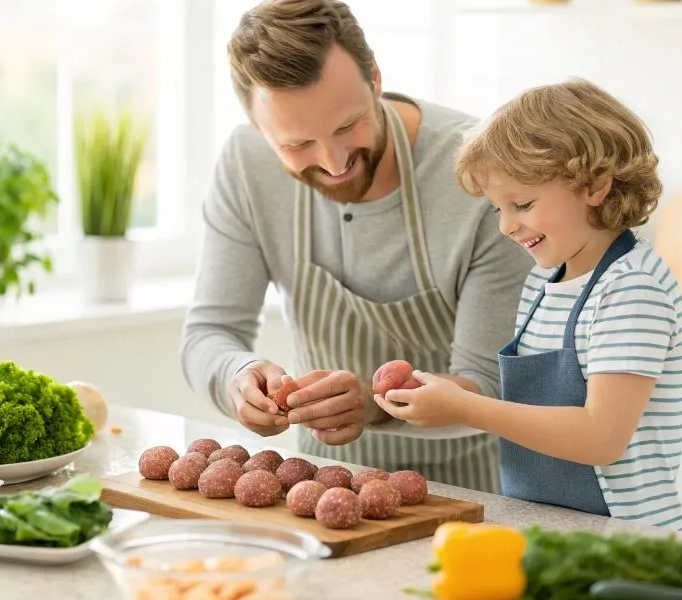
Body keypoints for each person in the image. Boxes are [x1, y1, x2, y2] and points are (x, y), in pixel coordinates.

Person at [179, 0, 533, 492]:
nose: (334, 160)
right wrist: (236, 376)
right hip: (325, 486)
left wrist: (373, 402)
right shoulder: (246, 165)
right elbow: (208, 333)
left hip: (474, 491)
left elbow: (491, 388)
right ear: (262, 133)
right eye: (297, 145)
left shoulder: (480, 176)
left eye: (348, 126)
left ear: (376, 80)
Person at [375, 79, 682, 529]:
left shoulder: (630, 288)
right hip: (545, 527)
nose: (506, 226)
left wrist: (466, 409)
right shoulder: (545, 280)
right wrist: (441, 394)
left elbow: (601, 438)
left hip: (624, 539)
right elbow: (522, 408)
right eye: (497, 209)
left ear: (595, 186)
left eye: (521, 203)